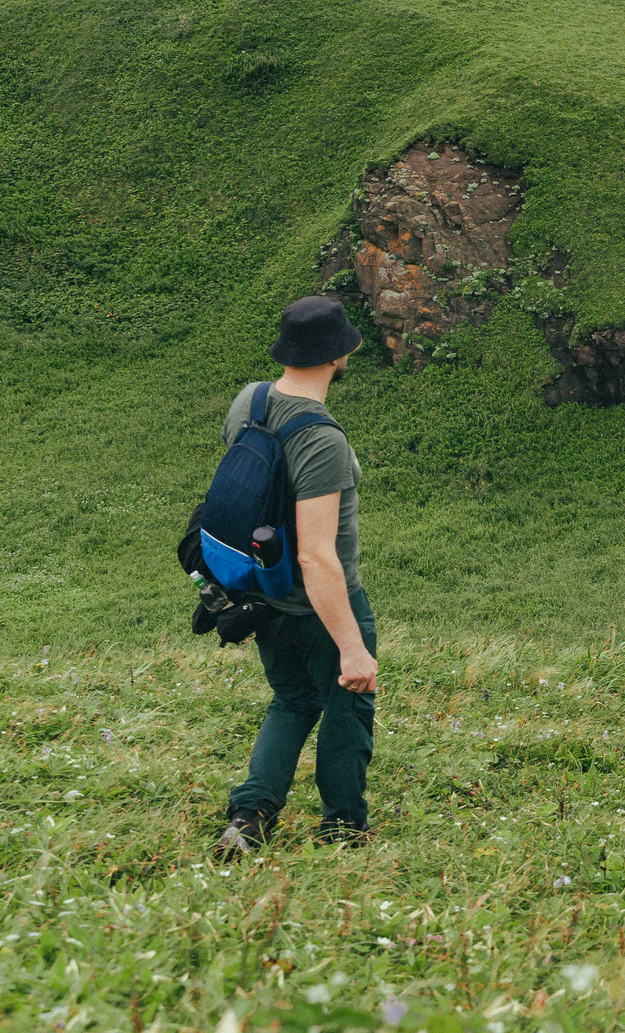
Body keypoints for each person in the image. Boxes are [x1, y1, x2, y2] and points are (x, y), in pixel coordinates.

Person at [216, 296, 377, 854]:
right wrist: (352, 646)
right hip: (322, 601)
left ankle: (249, 815)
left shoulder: (250, 401)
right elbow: (317, 554)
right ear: (339, 355)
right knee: (346, 702)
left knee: (292, 699)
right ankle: (343, 827)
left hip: (263, 592)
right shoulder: (321, 438)